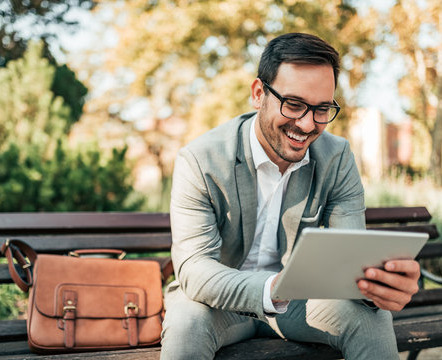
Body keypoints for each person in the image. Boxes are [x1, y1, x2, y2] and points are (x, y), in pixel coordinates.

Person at [161, 32, 420, 359]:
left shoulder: (337, 157)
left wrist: (375, 290)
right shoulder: (200, 160)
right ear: (258, 94)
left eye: (322, 109)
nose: (307, 124)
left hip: (302, 303)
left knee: (372, 318)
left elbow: (349, 259)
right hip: (217, 304)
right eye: (293, 104)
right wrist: (271, 290)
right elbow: (195, 269)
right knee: (187, 320)